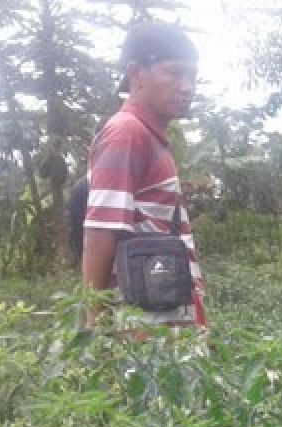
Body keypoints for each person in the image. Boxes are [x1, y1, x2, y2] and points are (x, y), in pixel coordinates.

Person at [81, 21, 206, 330]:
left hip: (166, 318)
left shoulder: (153, 137)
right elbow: (100, 232)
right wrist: (95, 322)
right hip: (144, 330)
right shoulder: (127, 133)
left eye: (192, 76)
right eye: (174, 73)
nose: (187, 86)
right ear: (135, 73)